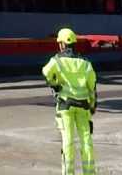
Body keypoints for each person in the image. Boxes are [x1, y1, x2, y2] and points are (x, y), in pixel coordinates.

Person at [42, 27, 97, 175]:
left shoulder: (57, 61)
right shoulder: (85, 63)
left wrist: (55, 85)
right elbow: (92, 85)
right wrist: (92, 104)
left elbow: (46, 72)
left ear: (61, 44)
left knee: (68, 141)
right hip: (84, 106)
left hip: (66, 106)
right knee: (87, 141)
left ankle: (68, 172)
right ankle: (90, 172)